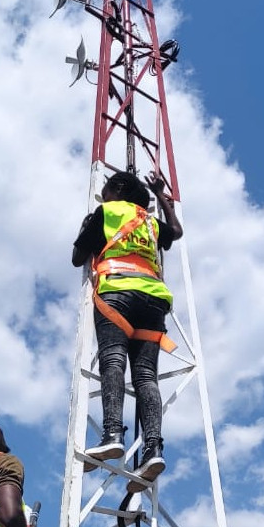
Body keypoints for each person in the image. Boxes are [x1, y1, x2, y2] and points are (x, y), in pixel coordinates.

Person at [72, 170, 183, 491]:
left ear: (117, 189)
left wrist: (84, 228)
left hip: (117, 293)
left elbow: (78, 257)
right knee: (146, 376)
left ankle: (112, 435)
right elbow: (175, 232)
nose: (103, 194)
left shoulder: (105, 213)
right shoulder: (148, 220)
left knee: (113, 361)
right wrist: (162, 195)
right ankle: (154, 449)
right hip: (154, 300)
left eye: (106, 189)